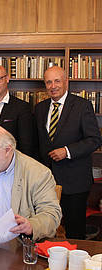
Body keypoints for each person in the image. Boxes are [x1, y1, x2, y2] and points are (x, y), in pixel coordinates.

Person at [35, 66, 102, 239]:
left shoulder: (82, 106)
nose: (53, 86)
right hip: (46, 182)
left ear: (66, 82)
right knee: (45, 230)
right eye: (48, 82)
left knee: (74, 232)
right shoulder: (40, 108)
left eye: (57, 81)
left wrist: (67, 151)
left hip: (75, 182)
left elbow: (94, 139)